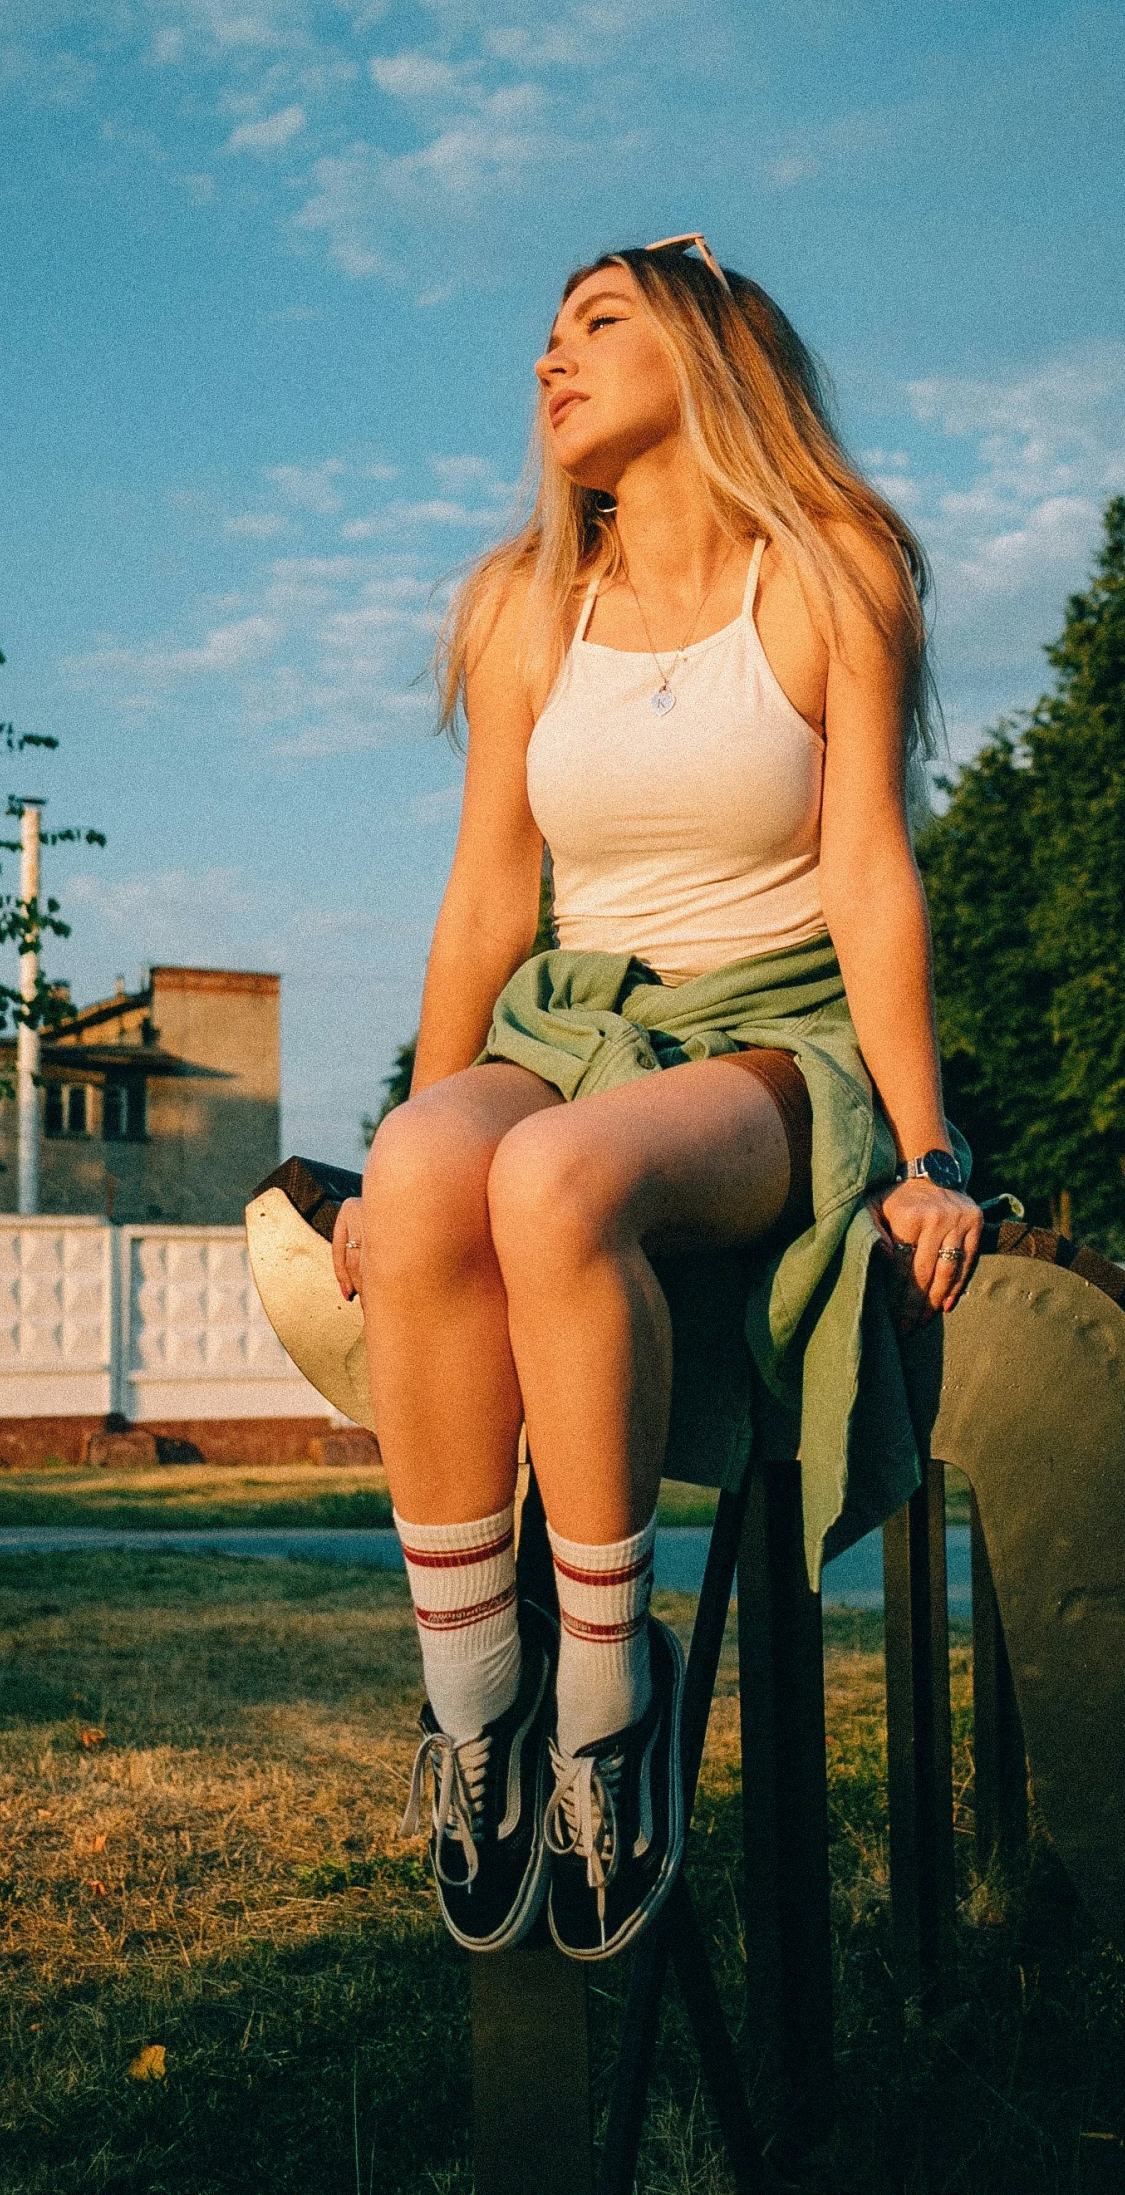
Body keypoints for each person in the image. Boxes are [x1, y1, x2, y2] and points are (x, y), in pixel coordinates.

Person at [331, 234, 980, 1964]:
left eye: (596, 324)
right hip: (565, 1025)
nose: (550, 361)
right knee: (420, 1167)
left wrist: (929, 1152)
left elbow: (866, 883)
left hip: (767, 1039)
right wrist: (408, 1122)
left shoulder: (831, 572)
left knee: (551, 1184)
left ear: (706, 354)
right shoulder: (523, 606)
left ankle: (607, 1715)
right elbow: (486, 896)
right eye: (542, 335)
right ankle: (480, 1711)